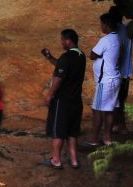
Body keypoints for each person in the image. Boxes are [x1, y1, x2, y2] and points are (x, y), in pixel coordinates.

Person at [41, 29, 85, 169]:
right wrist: (49, 57)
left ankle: (56, 160)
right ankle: (74, 160)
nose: (61, 42)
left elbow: (59, 78)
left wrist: (49, 94)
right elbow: (62, 65)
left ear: (68, 41)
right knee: (72, 132)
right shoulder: (81, 55)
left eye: (62, 40)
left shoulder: (66, 57)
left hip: (63, 101)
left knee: (59, 132)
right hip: (76, 100)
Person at [86, 13, 122, 146]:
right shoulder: (119, 38)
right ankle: (107, 138)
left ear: (106, 25)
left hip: (105, 81)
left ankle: (93, 139)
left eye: (101, 24)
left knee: (97, 110)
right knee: (109, 110)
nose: (101, 26)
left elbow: (92, 55)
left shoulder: (106, 40)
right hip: (115, 78)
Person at [108, 7, 133, 133]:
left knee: (115, 101)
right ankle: (120, 125)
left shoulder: (116, 32)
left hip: (118, 72)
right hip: (126, 72)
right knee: (120, 100)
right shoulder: (128, 30)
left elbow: (119, 51)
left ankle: (119, 125)